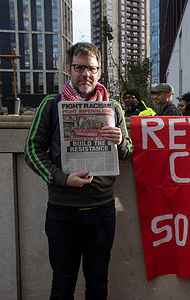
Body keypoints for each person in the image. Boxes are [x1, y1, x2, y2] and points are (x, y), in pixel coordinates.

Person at [24, 42, 133, 299]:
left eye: (91, 68)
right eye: (79, 67)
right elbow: (31, 150)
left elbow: (128, 153)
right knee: (62, 284)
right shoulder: (51, 105)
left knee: (98, 283)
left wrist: (119, 141)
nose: (86, 74)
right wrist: (62, 178)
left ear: (100, 72)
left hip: (102, 212)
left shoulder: (113, 107)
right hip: (63, 213)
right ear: (68, 70)